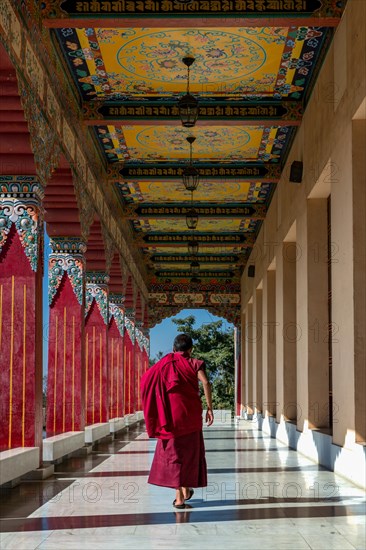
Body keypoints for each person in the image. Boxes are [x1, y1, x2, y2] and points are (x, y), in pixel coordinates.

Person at [141, 333, 214, 509]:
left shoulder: (165, 363)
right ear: (190, 349)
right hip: (190, 417)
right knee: (189, 455)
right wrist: (210, 407)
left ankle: (181, 497)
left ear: (174, 349)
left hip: (170, 418)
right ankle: (184, 493)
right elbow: (205, 383)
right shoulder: (195, 363)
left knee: (175, 456)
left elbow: (145, 381)